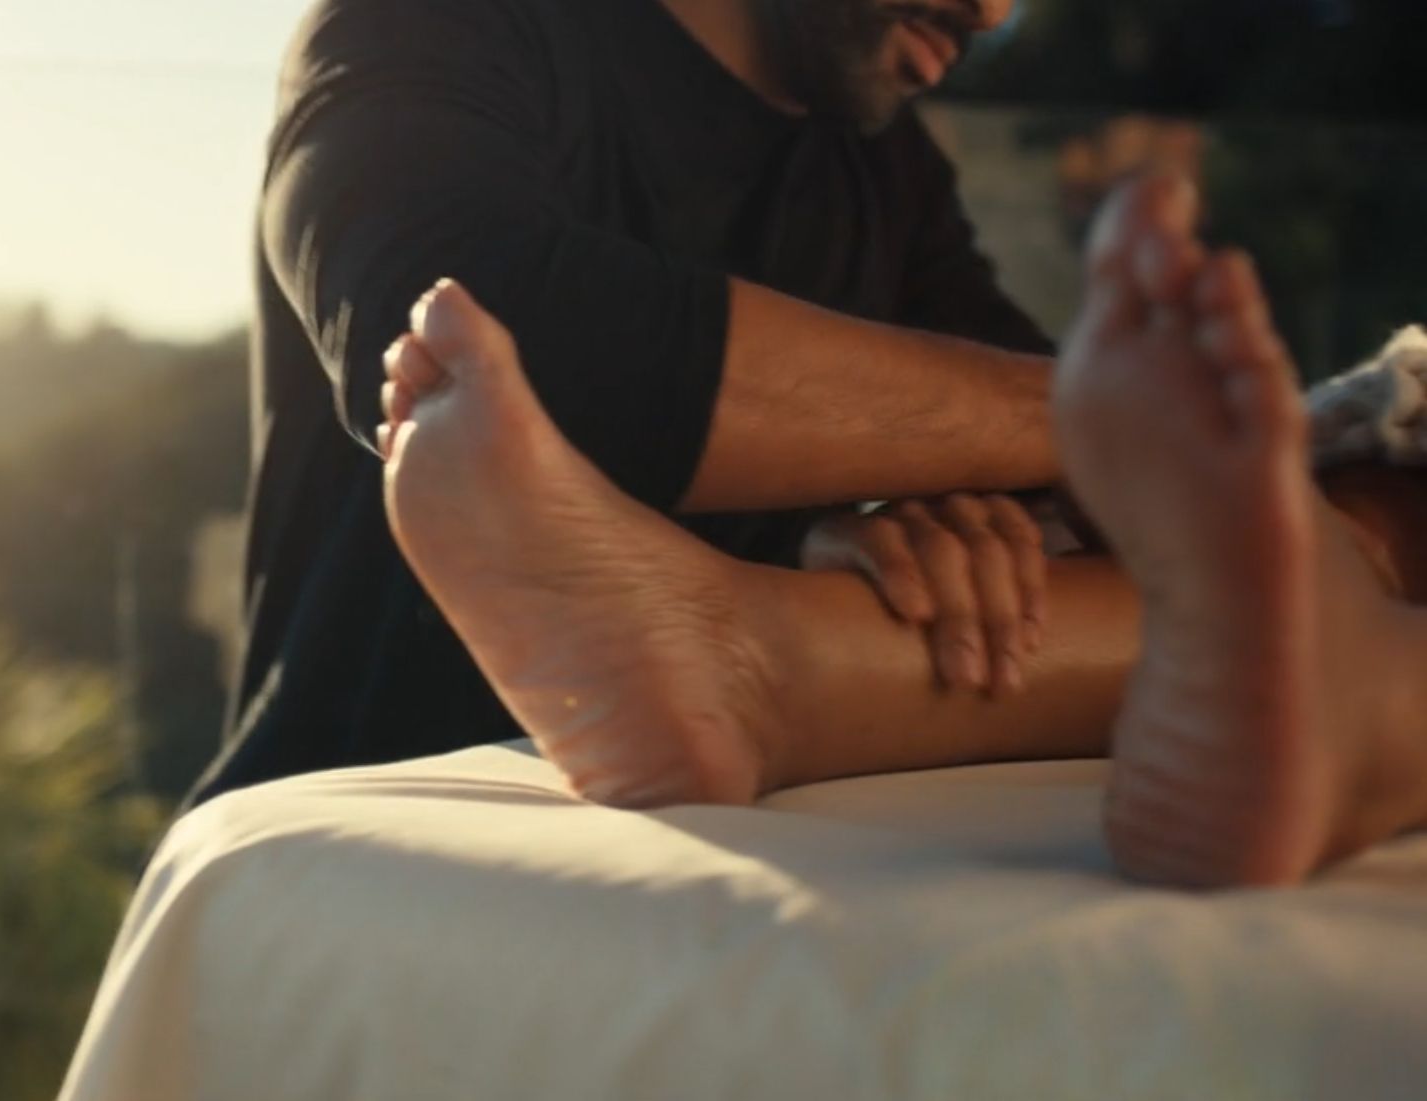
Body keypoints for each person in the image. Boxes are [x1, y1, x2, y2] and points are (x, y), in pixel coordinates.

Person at [374, 171, 1427, 888]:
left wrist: (1057, 458)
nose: (991, 11)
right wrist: (915, 497)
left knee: (1313, 537)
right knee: (1366, 502)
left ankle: (771, 663)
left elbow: (1026, 420)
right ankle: (1344, 628)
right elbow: (530, 319)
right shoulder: (452, 43)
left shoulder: (878, 153)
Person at [199, 0, 1072, 805]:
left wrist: (855, 546)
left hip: (733, 828)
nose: (992, 11)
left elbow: (1064, 456)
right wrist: (1078, 425)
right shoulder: (439, 22)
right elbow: (463, 343)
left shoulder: (882, 164)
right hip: (377, 811)